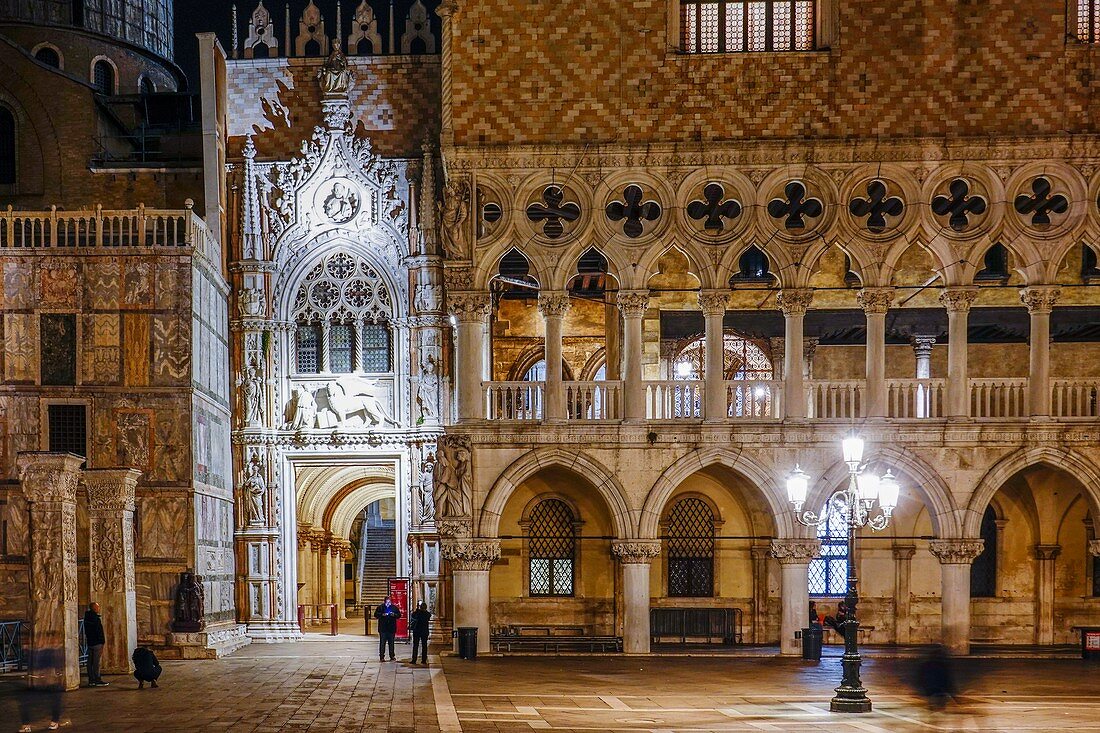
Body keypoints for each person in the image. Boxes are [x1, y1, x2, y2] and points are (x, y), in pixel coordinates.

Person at [18, 642, 68, 732]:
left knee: (54, 700)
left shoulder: (49, 651)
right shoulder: (39, 652)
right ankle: (26, 725)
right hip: (41, 681)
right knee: (26, 702)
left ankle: (54, 721)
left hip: (49, 681)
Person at [83, 602, 107, 687]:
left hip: (90, 642)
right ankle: (97, 679)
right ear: (94, 608)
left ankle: (91, 680)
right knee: (96, 662)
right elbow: (98, 631)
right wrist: (102, 641)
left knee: (90, 662)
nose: (98, 608)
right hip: (97, 642)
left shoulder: (87, 617)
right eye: (97, 607)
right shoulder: (95, 619)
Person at [374, 596, 401, 662]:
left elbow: (399, 615)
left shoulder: (394, 607)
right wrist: (382, 614)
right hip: (383, 628)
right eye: (387, 602)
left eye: (389, 602)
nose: (388, 603)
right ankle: (381, 657)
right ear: (384, 601)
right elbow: (376, 615)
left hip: (391, 628)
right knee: (382, 643)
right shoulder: (380, 607)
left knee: (391, 643)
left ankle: (392, 656)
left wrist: (394, 614)